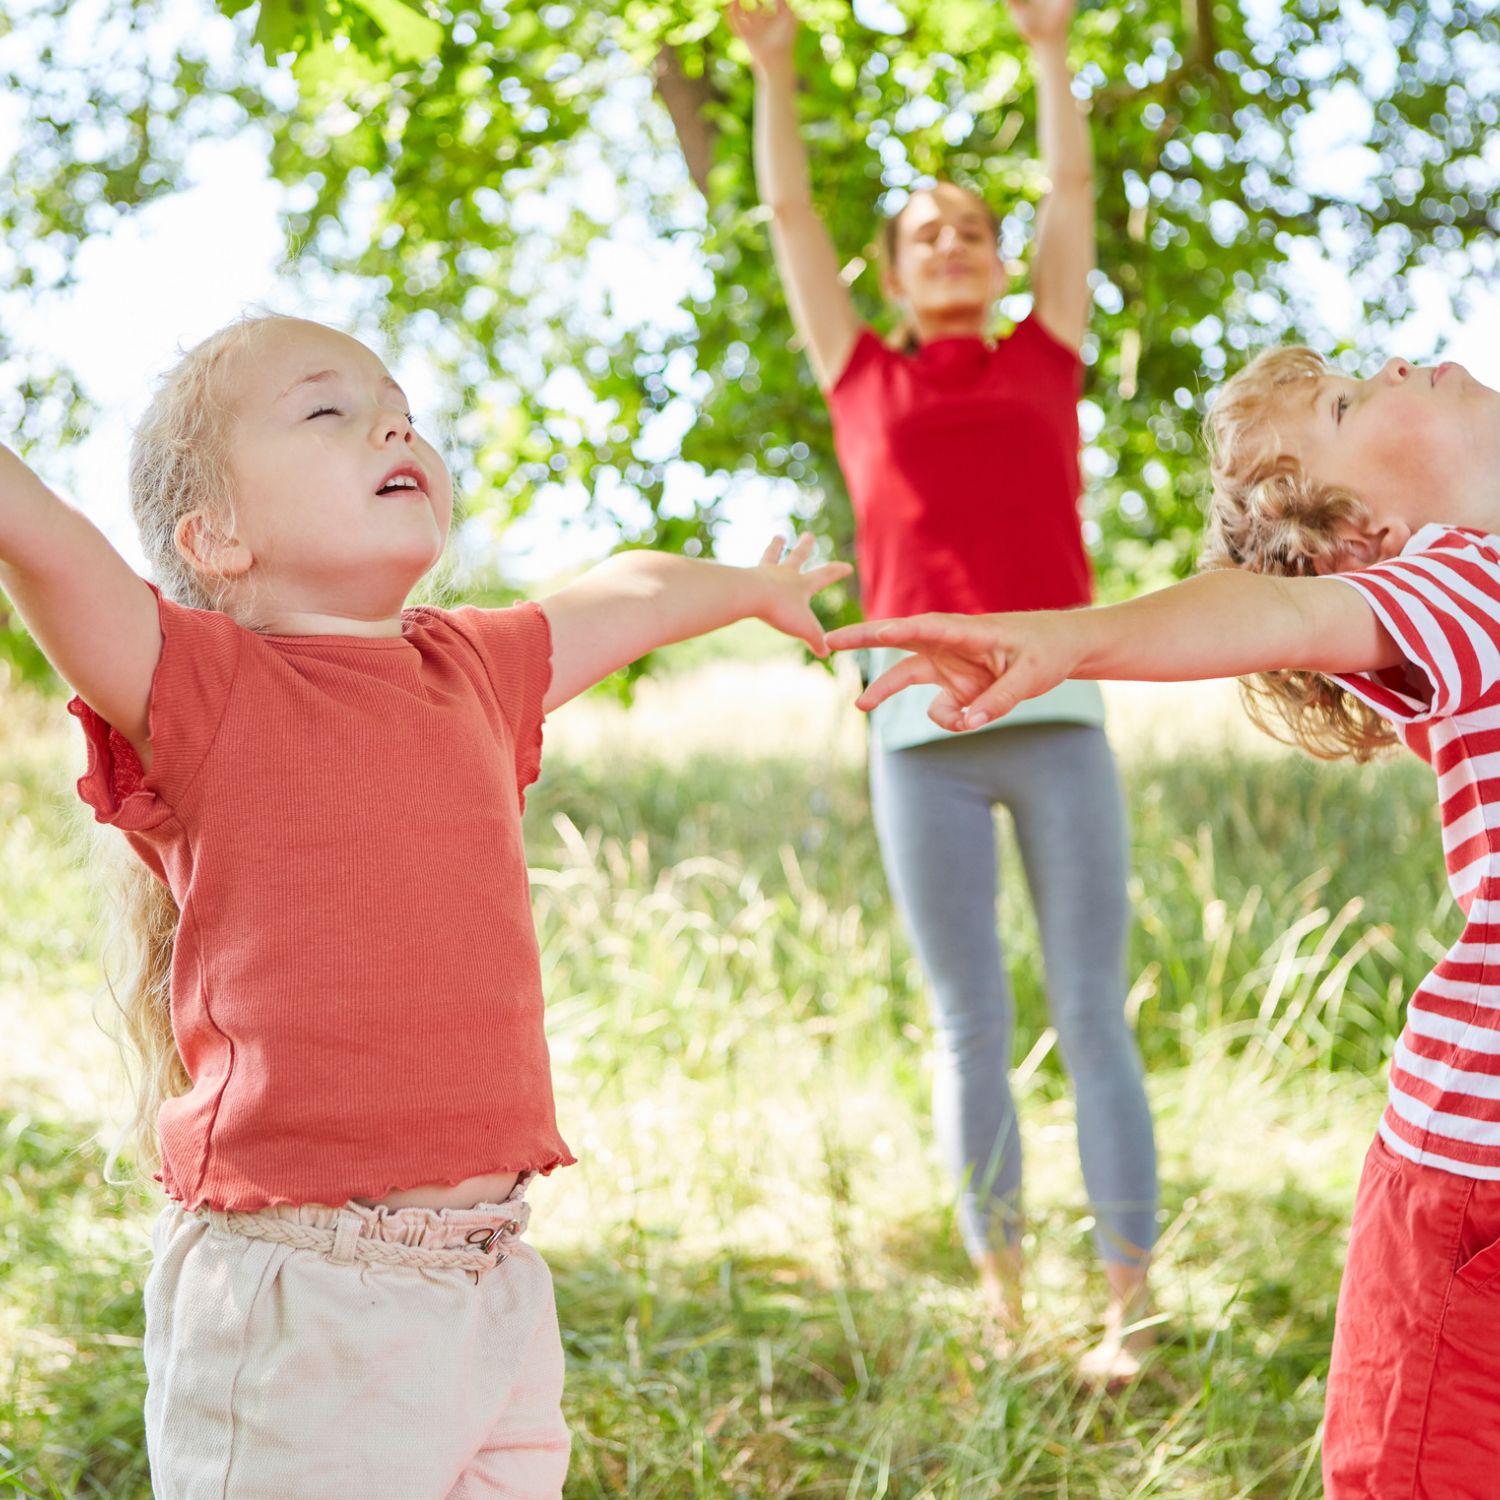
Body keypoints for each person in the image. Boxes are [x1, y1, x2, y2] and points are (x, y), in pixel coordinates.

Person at [0, 312, 850, 1499]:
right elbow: (39, 538)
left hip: (495, 1282)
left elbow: (635, 588)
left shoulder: (476, 669)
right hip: (304, 1302)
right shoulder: (200, 682)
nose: (393, 420)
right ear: (218, 537)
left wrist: (752, 589)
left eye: (397, 403)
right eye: (326, 409)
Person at [830, 346, 1500, 1498]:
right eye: (1346, 403)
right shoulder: (1462, 582)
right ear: (1369, 536)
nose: (1397, 356)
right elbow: (1281, 612)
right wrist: (1072, 637)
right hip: (1473, 1189)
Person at [726, 0, 1158, 1374]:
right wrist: (773, 69)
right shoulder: (859, 379)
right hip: (916, 737)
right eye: (930, 236)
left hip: (1060, 722)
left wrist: (1048, 51)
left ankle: (1128, 1306)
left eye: (976, 229)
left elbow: (1074, 188)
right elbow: (790, 216)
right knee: (969, 1021)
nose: (958, 245)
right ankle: (1009, 1300)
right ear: (896, 276)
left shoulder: (1047, 356)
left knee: (1094, 1011)